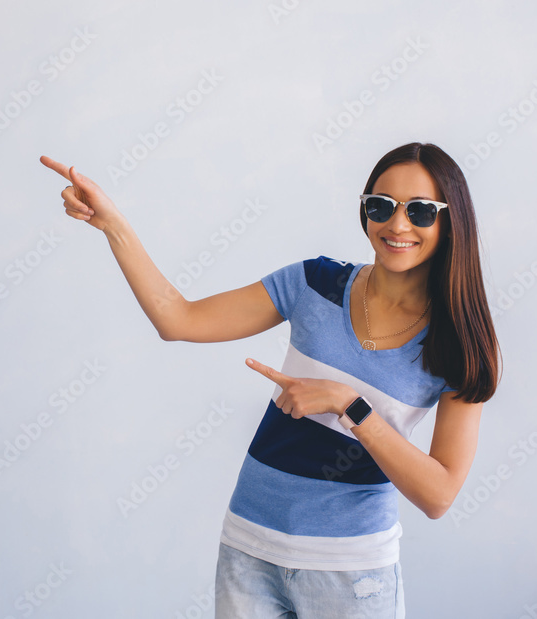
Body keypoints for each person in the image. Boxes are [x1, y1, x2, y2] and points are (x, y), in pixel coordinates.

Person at [39, 142, 501, 618]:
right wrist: (113, 223)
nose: (397, 225)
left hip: (351, 573)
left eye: (421, 211)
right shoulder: (312, 283)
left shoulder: (458, 343)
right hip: (248, 550)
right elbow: (177, 319)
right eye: (381, 206)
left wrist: (351, 406)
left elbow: (440, 494)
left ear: (450, 221)